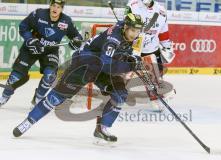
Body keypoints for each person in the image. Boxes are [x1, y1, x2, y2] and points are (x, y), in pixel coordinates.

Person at [12, 13, 144, 143]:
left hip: (100, 66)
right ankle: (28, 122)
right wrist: (130, 65)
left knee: (120, 95)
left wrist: (130, 57)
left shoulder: (123, 29)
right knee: (55, 98)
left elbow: (119, 53)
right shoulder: (113, 39)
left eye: (137, 31)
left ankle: (102, 129)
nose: (134, 34)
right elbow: (107, 64)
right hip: (83, 65)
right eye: (132, 30)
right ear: (125, 27)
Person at [0, 0, 83, 108]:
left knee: (50, 75)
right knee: (16, 76)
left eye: (58, 7)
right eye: (53, 5)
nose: (55, 9)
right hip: (32, 48)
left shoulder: (66, 21)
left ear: (62, 9)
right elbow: (23, 26)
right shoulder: (39, 14)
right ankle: (4, 96)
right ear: (50, 6)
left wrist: (76, 41)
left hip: (50, 51)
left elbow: (76, 37)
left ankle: (38, 99)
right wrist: (30, 39)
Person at [125, 0, 176, 110]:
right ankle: (114, 93)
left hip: (152, 48)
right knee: (132, 75)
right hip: (135, 49)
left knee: (157, 75)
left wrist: (167, 46)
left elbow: (163, 32)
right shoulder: (132, 5)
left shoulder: (161, 10)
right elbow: (124, 26)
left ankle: (156, 98)